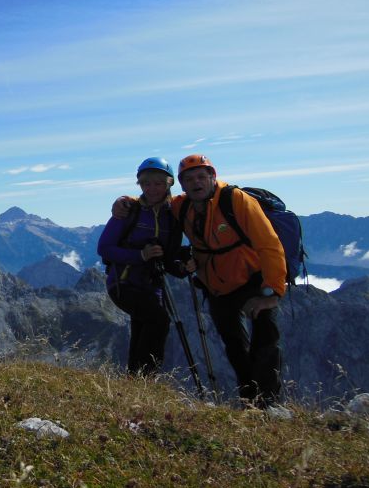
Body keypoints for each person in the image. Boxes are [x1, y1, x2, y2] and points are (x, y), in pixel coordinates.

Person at [115, 154, 287, 407]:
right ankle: (251, 403)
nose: (196, 183)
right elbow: (153, 199)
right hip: (217, 286)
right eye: (189, 179)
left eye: (201, 177)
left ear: (212, 177)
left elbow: (269, 244)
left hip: (253, 280)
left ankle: (269, 405)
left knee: (265, 342)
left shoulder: (236, 200)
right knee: (235, 346)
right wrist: (125, 201)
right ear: (181, 185)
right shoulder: (181, 205)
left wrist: (272, 293)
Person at [97, 157, 184, 377]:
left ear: (169, 184)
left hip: (152, 286)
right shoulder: (129, 210)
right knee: (159, 320)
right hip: (123, 283)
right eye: (146, 183)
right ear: (140, 185)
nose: (152, 188)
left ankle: (134, 380)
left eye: (158, 183)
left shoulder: (173, 214)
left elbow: (170, 255)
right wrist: (141, 256)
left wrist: (184, 265)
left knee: (142, 326)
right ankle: (147, 378)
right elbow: (104, 248)